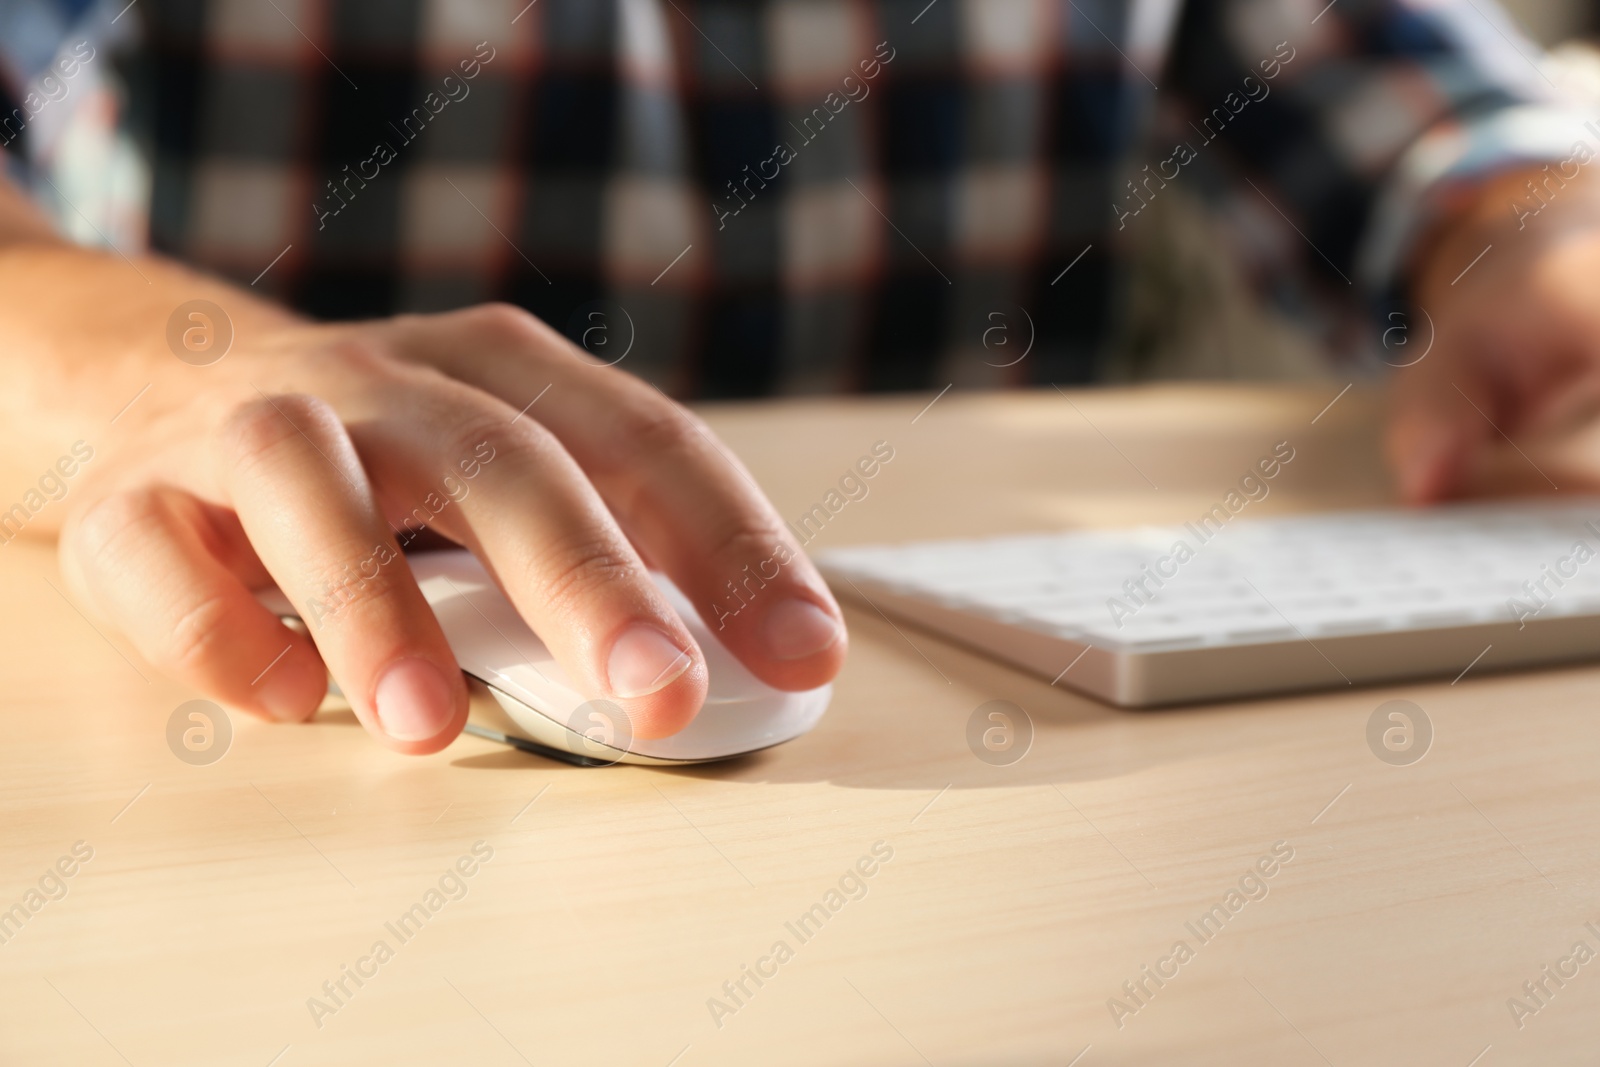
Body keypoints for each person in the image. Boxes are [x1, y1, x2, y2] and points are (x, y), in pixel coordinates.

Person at [1, 0, 1597, 754]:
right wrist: (170, 377)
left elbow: (1426, 104)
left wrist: (1534, 235)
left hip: (1001, 746)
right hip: (311, 675)